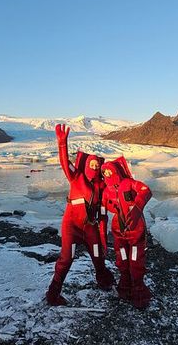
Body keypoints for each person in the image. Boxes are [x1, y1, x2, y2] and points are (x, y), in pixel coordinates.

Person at [46, 124, 114, 306]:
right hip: (72, 227)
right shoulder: (76, 177)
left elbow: (112, 197)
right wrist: (62, 143)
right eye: (92, 163)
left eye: (97, 164)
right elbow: (64, 162)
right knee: (66, 259)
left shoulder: (101, 185)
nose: (95, 166)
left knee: (98, 256)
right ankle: (53, 294)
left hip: (90, 227)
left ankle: (105, 280)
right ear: (86, 164)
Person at [101, 156, 152, 309]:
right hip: (119, 232)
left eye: (110, 172)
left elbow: (146, 190)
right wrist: (101, 234)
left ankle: (139, 291)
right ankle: (125, 287)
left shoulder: (129, 184)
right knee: (122, 259)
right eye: (105, 173)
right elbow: (102, 212)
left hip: (135, 230)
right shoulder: (106, 192)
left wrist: (137, 207)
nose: (108, 175)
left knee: (136, 261)